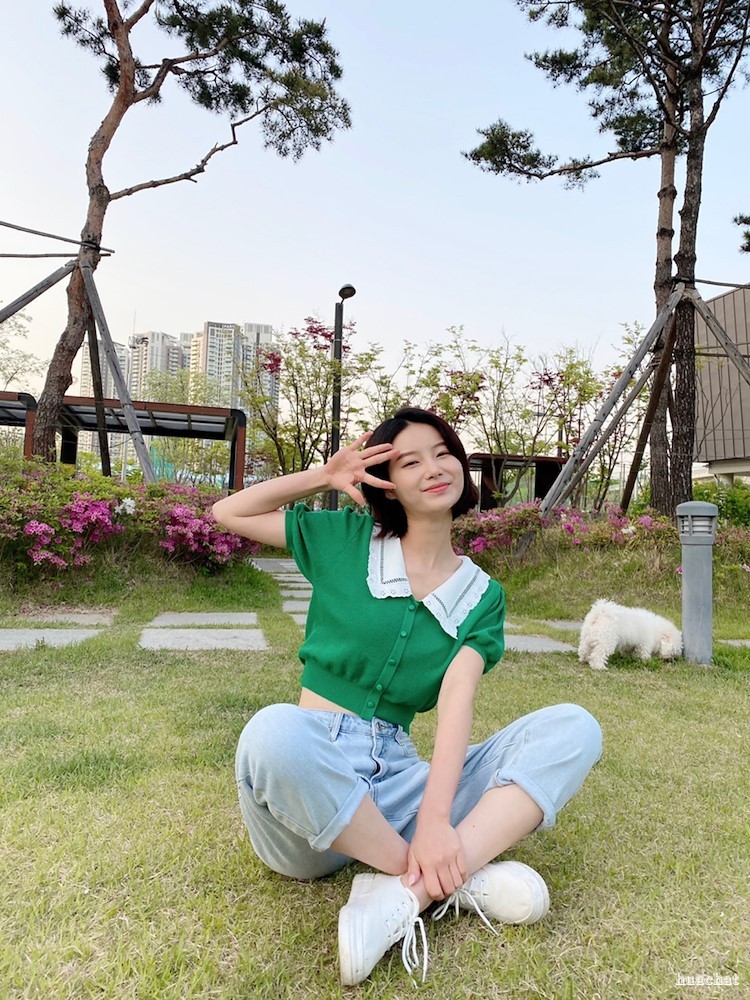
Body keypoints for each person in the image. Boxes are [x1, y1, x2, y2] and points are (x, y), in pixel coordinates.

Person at [212, 407, 602, 985]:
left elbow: (456, 705)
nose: (435, 468)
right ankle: (449, 878)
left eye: (444, 453)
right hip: (312, 789)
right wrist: (325, 475)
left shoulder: (482, 595)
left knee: (574, 727)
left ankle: (406, 893)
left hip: (398, 785)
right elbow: (228, 512)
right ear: (387, 484)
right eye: (411, 462)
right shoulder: (346, 540)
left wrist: (436, 820)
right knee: (271, 733)